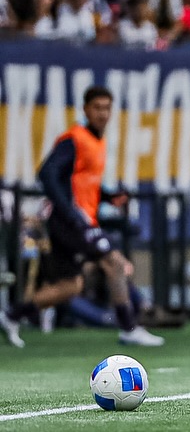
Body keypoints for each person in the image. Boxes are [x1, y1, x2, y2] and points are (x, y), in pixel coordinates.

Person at [0, 86, 165, 348]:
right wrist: (70, 212)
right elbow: (47, 174)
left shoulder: (98, 141)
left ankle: (11, 315)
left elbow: (83, 185)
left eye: (107, 108)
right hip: (71, 221)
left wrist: (109, 198)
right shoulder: (74, 139)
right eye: (97, 107)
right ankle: (128, 328)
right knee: (114, 262)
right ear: (86, 109)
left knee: (71, 285)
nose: (102, 113)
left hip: (78, 220)